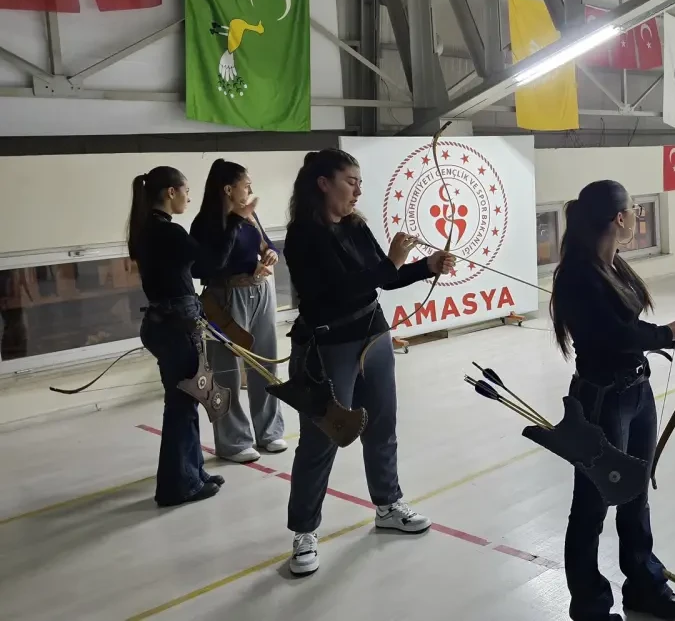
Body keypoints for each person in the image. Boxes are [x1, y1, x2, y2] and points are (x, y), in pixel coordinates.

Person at [282, 148, 455, 577]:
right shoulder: (303, 235)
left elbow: (385, 278)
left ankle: (388, 504)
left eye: (359, 181)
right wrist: (392, 262)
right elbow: (335, 293)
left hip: (373, 337)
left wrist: (424, 266)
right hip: (328, 347)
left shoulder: (355, 227)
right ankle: (304, 531)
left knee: (382, 425)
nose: (358, 189)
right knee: (322, 439)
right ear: (323, 183)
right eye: (350, 181)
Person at [548, 180, 675, 621]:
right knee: (593, 503)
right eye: (634, 210)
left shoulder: (612, 264)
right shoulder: (578, 274)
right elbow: (612, 335)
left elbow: (629, 332)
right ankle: (590, 606)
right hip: (602, 401)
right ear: (618, 219)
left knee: (635, 493)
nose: (639, 216)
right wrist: (668, 334)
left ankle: (642, 584)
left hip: (635, 393)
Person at [127, 165, 254, 507]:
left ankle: (192, 473)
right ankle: (176, 486)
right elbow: (208, 266)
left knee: (187, 400)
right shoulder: (169, 231)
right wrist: (236, 222)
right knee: (182, 405)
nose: (188, 196)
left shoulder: (145, 229)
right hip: (175, 324)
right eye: (185, 190)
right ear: (170, 192)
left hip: (164, 322)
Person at [191, 159, 288, 464]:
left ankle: (269, 431)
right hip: (226, 297)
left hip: (260, 290)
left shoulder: (249, 216)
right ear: (229, 189)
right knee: (227, 371)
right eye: (246, 183)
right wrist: (235, 221)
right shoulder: (206, 223)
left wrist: (269, 254)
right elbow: (210, 265)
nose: (250, 189)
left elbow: (266, 245)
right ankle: (233, 441)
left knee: (265, 364)